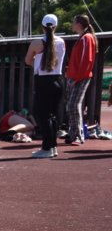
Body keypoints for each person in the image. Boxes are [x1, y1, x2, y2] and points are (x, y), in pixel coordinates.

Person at [24, 13, 66, 158]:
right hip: (58, 80)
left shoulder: (37, 43)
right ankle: (53, 147)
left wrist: (37, 62)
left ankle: (47, 148)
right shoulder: (61, 41)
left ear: (42, 26)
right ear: (56, 26)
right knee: (53, 115)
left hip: (44, 81)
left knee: (43, 115)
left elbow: (28, 60)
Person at [64, 14, 97, 146]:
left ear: (79, 24)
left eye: (73, 22)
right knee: (71, 106)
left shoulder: (86, 38)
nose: (72, 24)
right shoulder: (82, 38)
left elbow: (86, 60)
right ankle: (73, 133)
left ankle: (78, 134)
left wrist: (77, 78)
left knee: (74, 105)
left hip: (80, 77)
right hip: (73, 76)